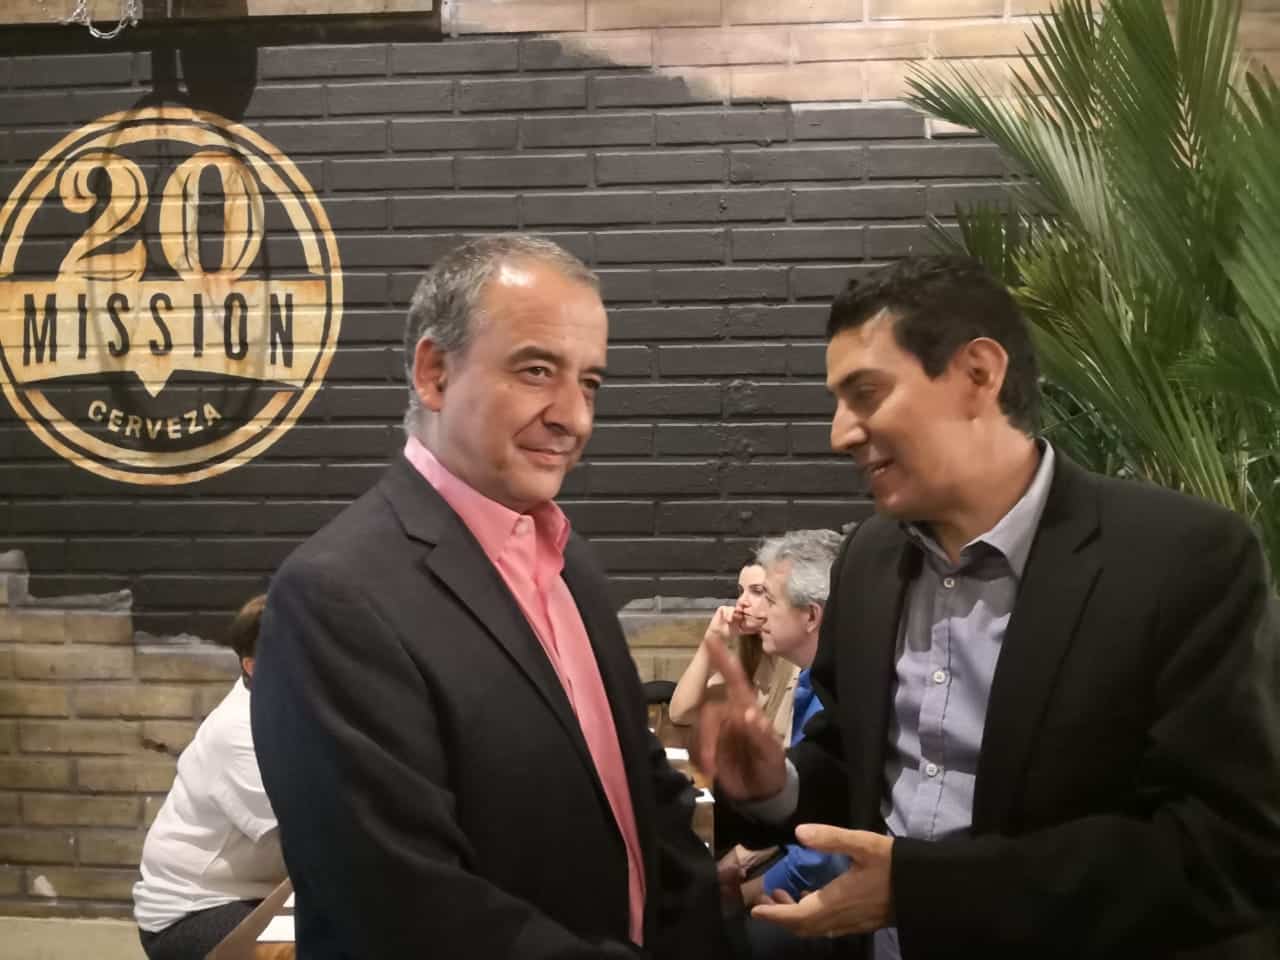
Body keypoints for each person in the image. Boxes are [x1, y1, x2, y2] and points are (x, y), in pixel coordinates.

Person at [696, 256, 1280, 959]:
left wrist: (925, 889)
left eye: (866, 393)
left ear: (978, 374)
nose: (841, 432)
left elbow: (1226, 850)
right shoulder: (869, 560)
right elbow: (852, 759)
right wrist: (776, 787)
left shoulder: (1184, 560)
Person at [251, 234, 727, 959]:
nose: (575, 417)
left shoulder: (569, 562)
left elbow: (638, 789)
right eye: (537, 371)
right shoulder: (333, 595)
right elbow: (403, 909)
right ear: (434, 373)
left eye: (590, 382)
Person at [133, 595, 285, 960]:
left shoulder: (290, 709)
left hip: (254, 894)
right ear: (252, 666)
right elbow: (312, 837)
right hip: (194, 912)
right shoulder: (239, 731)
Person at [669, 562, 798, 743]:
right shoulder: (752, 654)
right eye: (741, 591)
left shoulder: (800, 662)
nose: (742, 602)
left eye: (757, 591)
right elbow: (681, 714)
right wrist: (713, 637)